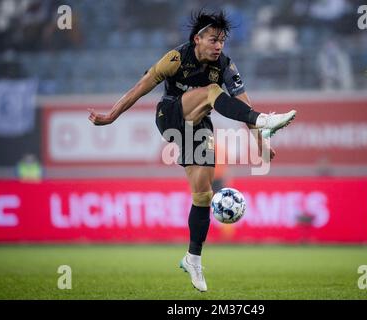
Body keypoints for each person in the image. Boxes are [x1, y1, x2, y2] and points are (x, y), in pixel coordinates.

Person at [88, 10, 296, 292]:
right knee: (212, 91)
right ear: (197, 39)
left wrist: (260, 142)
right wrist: (111, 116)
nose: (218, 46)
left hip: (198, 127)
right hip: (171, 116)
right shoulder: (176, 58)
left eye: (222, 41)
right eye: (213, 40)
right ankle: (266, 120)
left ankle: (193, 257)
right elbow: (141, 88)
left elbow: (244, 105)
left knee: (203, 194)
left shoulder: (225, 64)